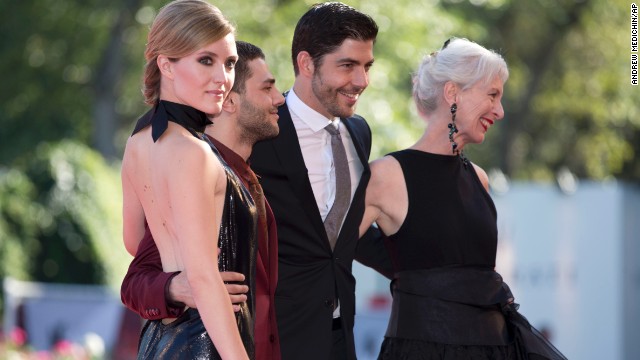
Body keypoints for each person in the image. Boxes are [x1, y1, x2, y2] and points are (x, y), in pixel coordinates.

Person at [359, 37, 567, 360]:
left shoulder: (479, 179)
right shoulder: (388, 175)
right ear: (453, 92)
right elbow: (334, 246)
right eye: (493, 95)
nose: (499, 111)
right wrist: (412, 274)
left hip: (495, 349)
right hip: (422, 351)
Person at [121, 40, 284, 360]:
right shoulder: (193, 167)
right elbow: (136, 277)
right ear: (230, 102)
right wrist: (174, 288)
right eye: (267, 88)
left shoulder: (242, 174)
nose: (280, 98)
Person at [249, 3, 391, 360]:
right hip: (270, 337)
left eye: (366, 66)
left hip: (340, 336)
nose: (361, 81)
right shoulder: (260, 130)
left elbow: (340, 235)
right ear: (306, 63)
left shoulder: (359, 132)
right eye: (347, 65)